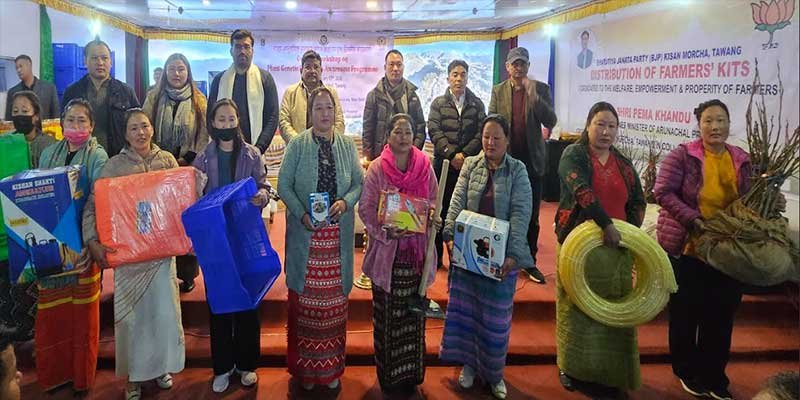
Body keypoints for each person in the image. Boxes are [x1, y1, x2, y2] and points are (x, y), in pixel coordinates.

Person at [83, 109, 185, 400]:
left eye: (144, 126)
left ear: (152, 128)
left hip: (161, 258)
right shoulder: (114, 167)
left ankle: (161, 366)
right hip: (129, 261)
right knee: (133, 321)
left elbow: (180, 204)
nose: (140, 132)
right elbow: (93, 206)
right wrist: (93, 240)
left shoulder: (166, 161)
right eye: (133, 128)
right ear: (125, 134)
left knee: (163, 315)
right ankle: (133, 378)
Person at [654, 99, 753, 400]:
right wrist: (692, 219)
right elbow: (662, 192)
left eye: (721, 120)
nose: (715, 126)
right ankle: (686, 370)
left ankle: (714, 375)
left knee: (722, 315)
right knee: (686, 312)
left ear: (729, 123)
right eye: (709, 120)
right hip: (690, 247)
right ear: (698, 124)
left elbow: (750, 197)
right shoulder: (683, 156)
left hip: (728, 250)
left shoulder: (741, 158)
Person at [554, 102, 646, 399]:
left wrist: (629, 233)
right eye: (600, 124)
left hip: (616, 247)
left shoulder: (623, 163)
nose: (605, 131)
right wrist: (606, 225)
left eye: (611, 126)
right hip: (579, 245)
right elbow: (582, 192)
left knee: (612, 310)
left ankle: (610, 371)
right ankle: (572, 368)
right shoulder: (573, 155)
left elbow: (639, 200)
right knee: (577, 309)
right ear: (588, 125)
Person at [440, 114, 533, 400]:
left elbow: (520, 214)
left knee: (495, 322)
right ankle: (468, 365)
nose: (490, 142)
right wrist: (450, 233)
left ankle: (494, 374)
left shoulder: (518, 171)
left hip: (499, 259)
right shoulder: (470, 165)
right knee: (467, 315)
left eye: (496, 137)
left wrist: (514, 255)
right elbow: (456, 201)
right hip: (469, 256)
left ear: (507, 140)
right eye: (486, 137)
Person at [277, 87, 363, 390]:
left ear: (335, 112)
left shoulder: (347, 145)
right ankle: (306, 372)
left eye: (329, 108)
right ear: (309, 113)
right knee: (306, 308)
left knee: (333, 310)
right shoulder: (298, 145)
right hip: (307, 238)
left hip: (336, 240)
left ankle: (329, 372)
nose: (324, 114)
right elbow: (284, 185)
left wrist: (345, 202)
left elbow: (357, 184)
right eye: (318, 109)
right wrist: (301, 214)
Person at [192, 98, 270, 393]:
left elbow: (264, 187)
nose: (226, 124)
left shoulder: (252, 155)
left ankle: (247, 363)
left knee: (249, 300)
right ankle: (223, 366)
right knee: (220, 303)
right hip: (216, 241)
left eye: (231, 119)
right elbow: (194, 196)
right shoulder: (202, 158)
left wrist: (260, 198)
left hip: (245, 237)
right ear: (213, 124)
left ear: (239, 122)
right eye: (220, 120)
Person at [359, 113, 439, 396]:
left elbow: (433, 201)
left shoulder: (424, 165)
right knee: (387, 321)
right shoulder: (378, 169)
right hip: (387, 260)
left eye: (408, 132)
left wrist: (428, 216)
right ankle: (389, 379)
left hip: (415, 259)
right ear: (388, 136)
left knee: (413, 320)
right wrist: (385, 233)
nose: (403, 137)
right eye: (397, 132)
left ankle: (411, 377)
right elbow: (366, 210)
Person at [34, 98, 109, 392]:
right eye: (71, 121)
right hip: (50, 247)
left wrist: (88, 239)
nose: (76, 126)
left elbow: (98, 199)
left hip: (81, 246)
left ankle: (80, 378)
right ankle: (54, 374)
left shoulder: (97, 155)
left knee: (82, 319)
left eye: (82, 121)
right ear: (62, 124)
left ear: (91, 126)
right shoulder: (49, 152)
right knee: (53, 316)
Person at [489, 46, 557, 284]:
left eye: (523, 64)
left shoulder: (540, 89)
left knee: (531, 216)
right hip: (505, 161)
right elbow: (492, 122)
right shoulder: (498, 91)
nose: (518, 69)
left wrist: (533, 96)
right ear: (507, 67)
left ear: (528, 67)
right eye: (514, 64)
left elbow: (551, 120)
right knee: (502, 210)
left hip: (532, 162)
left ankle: (529, 262)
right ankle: (501, 257)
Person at [142, 53, 209, 293]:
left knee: (184, 223)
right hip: (158, 168)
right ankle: (159, 271)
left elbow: (204, 134)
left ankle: (187, 274)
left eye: (181, 69)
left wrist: (189, 158)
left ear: (188, 72)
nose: (177, 74)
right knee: (160, 221)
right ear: (166, 72)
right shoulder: (154, 97)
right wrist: (158, 156)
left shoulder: (199, 100)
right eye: (172, 69)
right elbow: (143, 127)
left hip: (186, 170)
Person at [428, 59, 486, 269]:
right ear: (448, 78)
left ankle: (460, 258)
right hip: (442, 167)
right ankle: (436, 258)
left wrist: (465, 155)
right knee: (439, 212)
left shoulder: (477, 103)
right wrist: (452, 155)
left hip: (468, 168)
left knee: (464, 212)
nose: (459, 78)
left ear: (468, 77)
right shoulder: (438, 103)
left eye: (463, 74)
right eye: (455, 74)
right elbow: (434, 129)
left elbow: (482, 133)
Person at [62, 39, 140, 157]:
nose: (100, 62)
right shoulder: (72, 91)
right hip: (82, 157)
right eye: (94, 58)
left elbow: (137, 123)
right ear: (85, 61)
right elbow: (64, 125)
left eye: (104, 58)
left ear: (111, 62)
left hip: (118, 157)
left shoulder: (126, 91)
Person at [208, 29, 279, 153]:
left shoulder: (265, 79)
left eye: (246, 47)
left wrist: (259, 149)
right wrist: (222, 147)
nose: (242, 51)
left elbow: (272, 117)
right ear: (231, 51)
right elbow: (210, 117)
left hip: (256, 152)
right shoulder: (219, 81)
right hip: (224, 153)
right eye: (238, 47)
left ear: (252, 51)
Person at [362, 49, 426, 161]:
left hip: (407, 158)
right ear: (385, 67)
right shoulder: (374, 96)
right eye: (391, 64)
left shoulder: (412, 96)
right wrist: (369, 159)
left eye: (399, 64)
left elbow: (420, 128)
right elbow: (368, 130)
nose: (395, 69)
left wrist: (413, 152)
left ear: (403, 67)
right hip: (381, 157)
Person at [279, 49, 345, 142]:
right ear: (301, 70)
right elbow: (284, 122)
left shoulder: (331, 93)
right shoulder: (290, 92)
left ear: (321, 70)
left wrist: (328, 142)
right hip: (298, 150)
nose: (312, 71)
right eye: (308, 67)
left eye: (316, 67)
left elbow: (339, 122)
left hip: (327, 149)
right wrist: (299, 143)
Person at [5, 55, 59, 120]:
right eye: (16, 68)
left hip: (43, 129)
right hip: (21, 129)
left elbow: (56, 116)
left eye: (21, 66)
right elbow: (8, 120)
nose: (18, 70)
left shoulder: (49, 88)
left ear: (29, 65)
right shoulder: (13, 92)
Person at [10, 91, 56, 168]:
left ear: (36, 116)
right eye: (15, 111)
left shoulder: (48, 144)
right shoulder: (8, 143)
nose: (19, 115)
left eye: (25, 111)